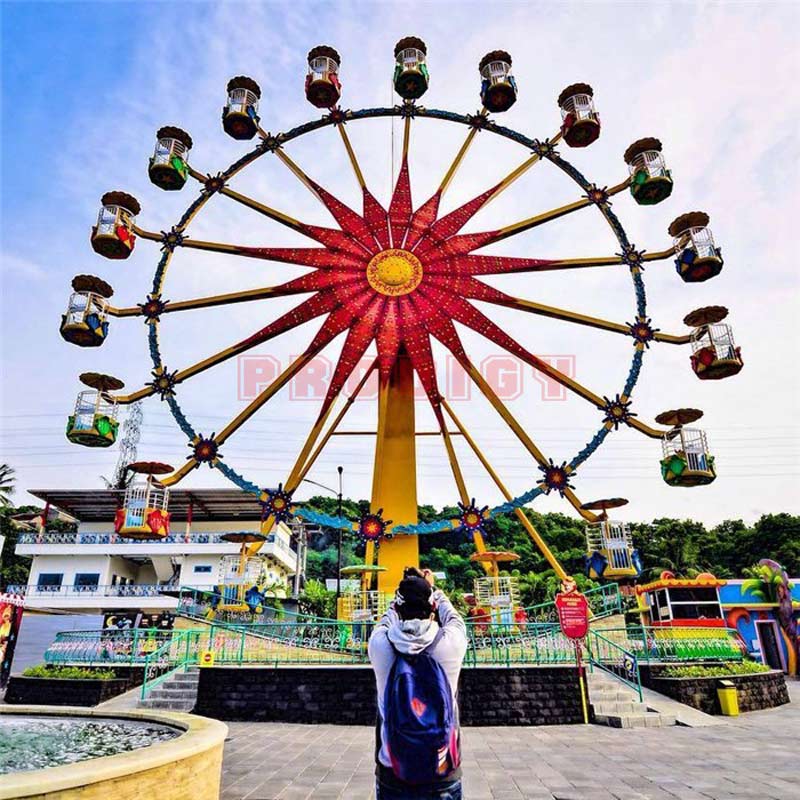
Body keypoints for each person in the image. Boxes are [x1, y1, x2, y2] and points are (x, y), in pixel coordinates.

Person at [368, 566, 468, 800]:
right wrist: (432, 588)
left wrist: (401, 593)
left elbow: (386, 619)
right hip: (443, 770)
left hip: (393, 771)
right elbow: (453, 617)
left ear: (399, 608)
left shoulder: (381, 646)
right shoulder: (450, 644)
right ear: (432, 609)